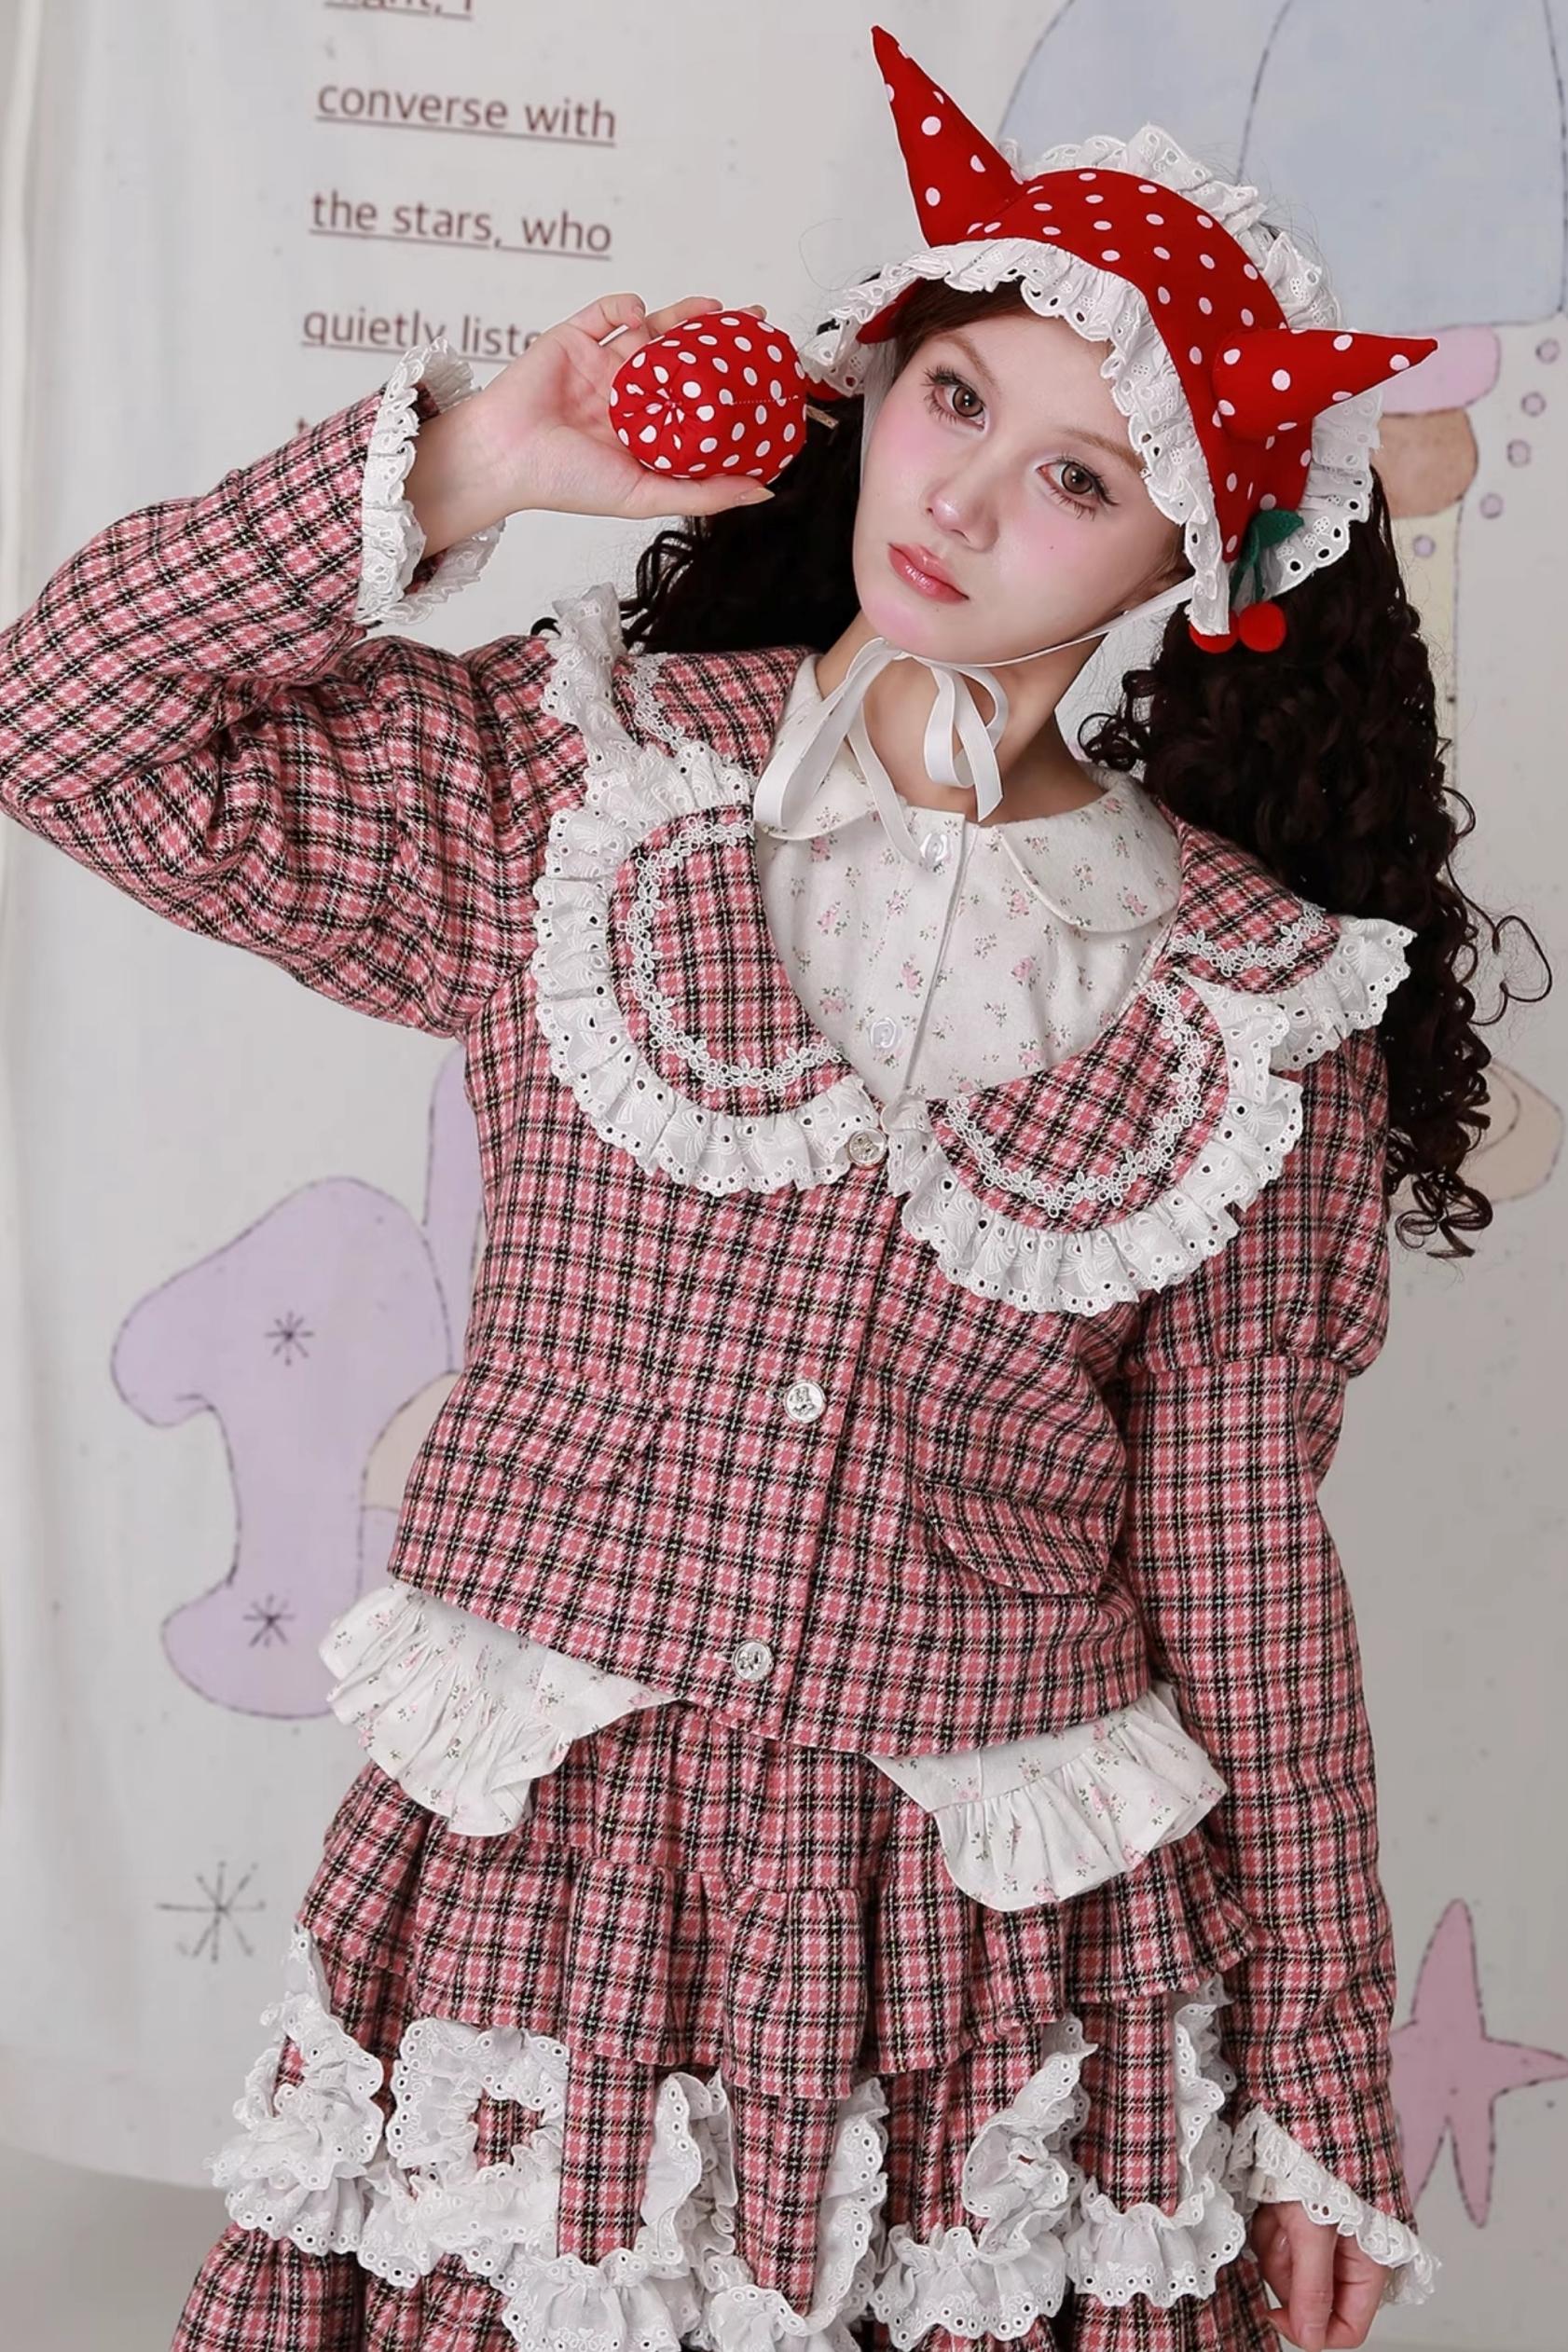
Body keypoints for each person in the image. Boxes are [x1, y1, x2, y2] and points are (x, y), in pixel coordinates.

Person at [0, 22, 1521, 2352]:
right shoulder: (577, 788)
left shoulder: (1256, 1012)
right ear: (874, 382)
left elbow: (1236, 1564)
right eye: (953, 397)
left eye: (1077, 474)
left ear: (1193, 559)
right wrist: (488, 453)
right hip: (553, 1890)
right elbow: (65, 720)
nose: (966, 498)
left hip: (975, 1955)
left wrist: (1320, 2068)